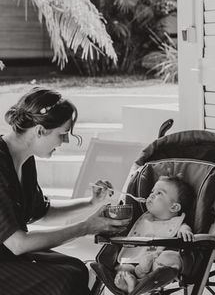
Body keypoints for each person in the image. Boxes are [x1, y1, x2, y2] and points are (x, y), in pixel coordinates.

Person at [0, 87, 131, 295]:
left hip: (8, 254)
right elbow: (18, 243)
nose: (66, 141)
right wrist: (86, 227)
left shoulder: (24, 160)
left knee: (76, 268)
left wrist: (91, 203)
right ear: (40, 130)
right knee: (63, 280)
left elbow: (41, 211)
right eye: (62, 134)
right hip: (8, 256)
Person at [113, 175, 194, 293]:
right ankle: (132, 282)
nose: (151, 195)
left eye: (159, 193)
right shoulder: (144, 219)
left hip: (156, 266)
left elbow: (184, 227)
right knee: (122, 267)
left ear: (174, 207)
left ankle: (137, 285)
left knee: (171, 257)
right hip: (134, 262)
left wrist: (185, 230)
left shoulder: (177, 223)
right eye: (152, 191)